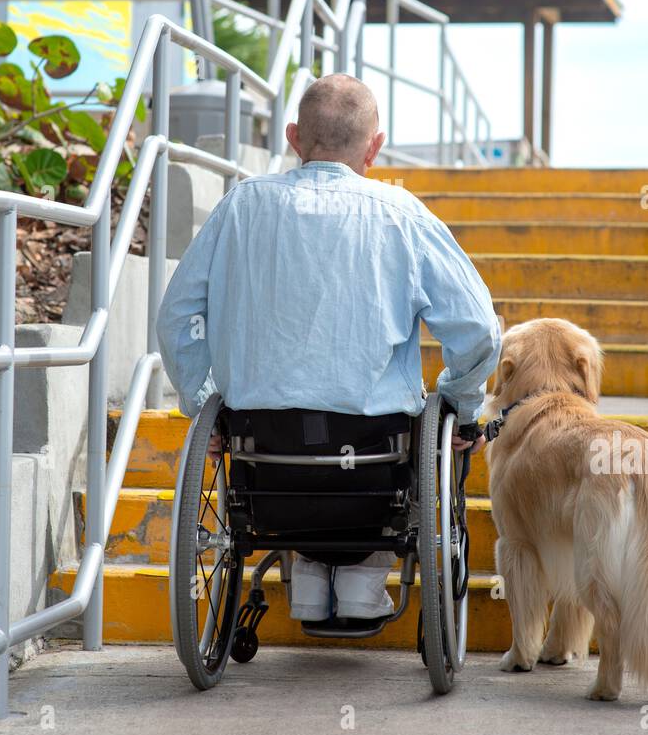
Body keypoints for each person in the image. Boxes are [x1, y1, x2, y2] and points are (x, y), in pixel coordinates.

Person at [156, 73, 501, 623]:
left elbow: (177, 316)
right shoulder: (403, 214)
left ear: (293, 136)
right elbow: (478, 328)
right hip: (374, 454)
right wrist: (461, 404)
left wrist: (202, 403)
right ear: (375, 145)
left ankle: (311, 583)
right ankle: (362, 582)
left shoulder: (240, 206)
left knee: (290, 451)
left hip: (261, 450)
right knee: (402, 426)